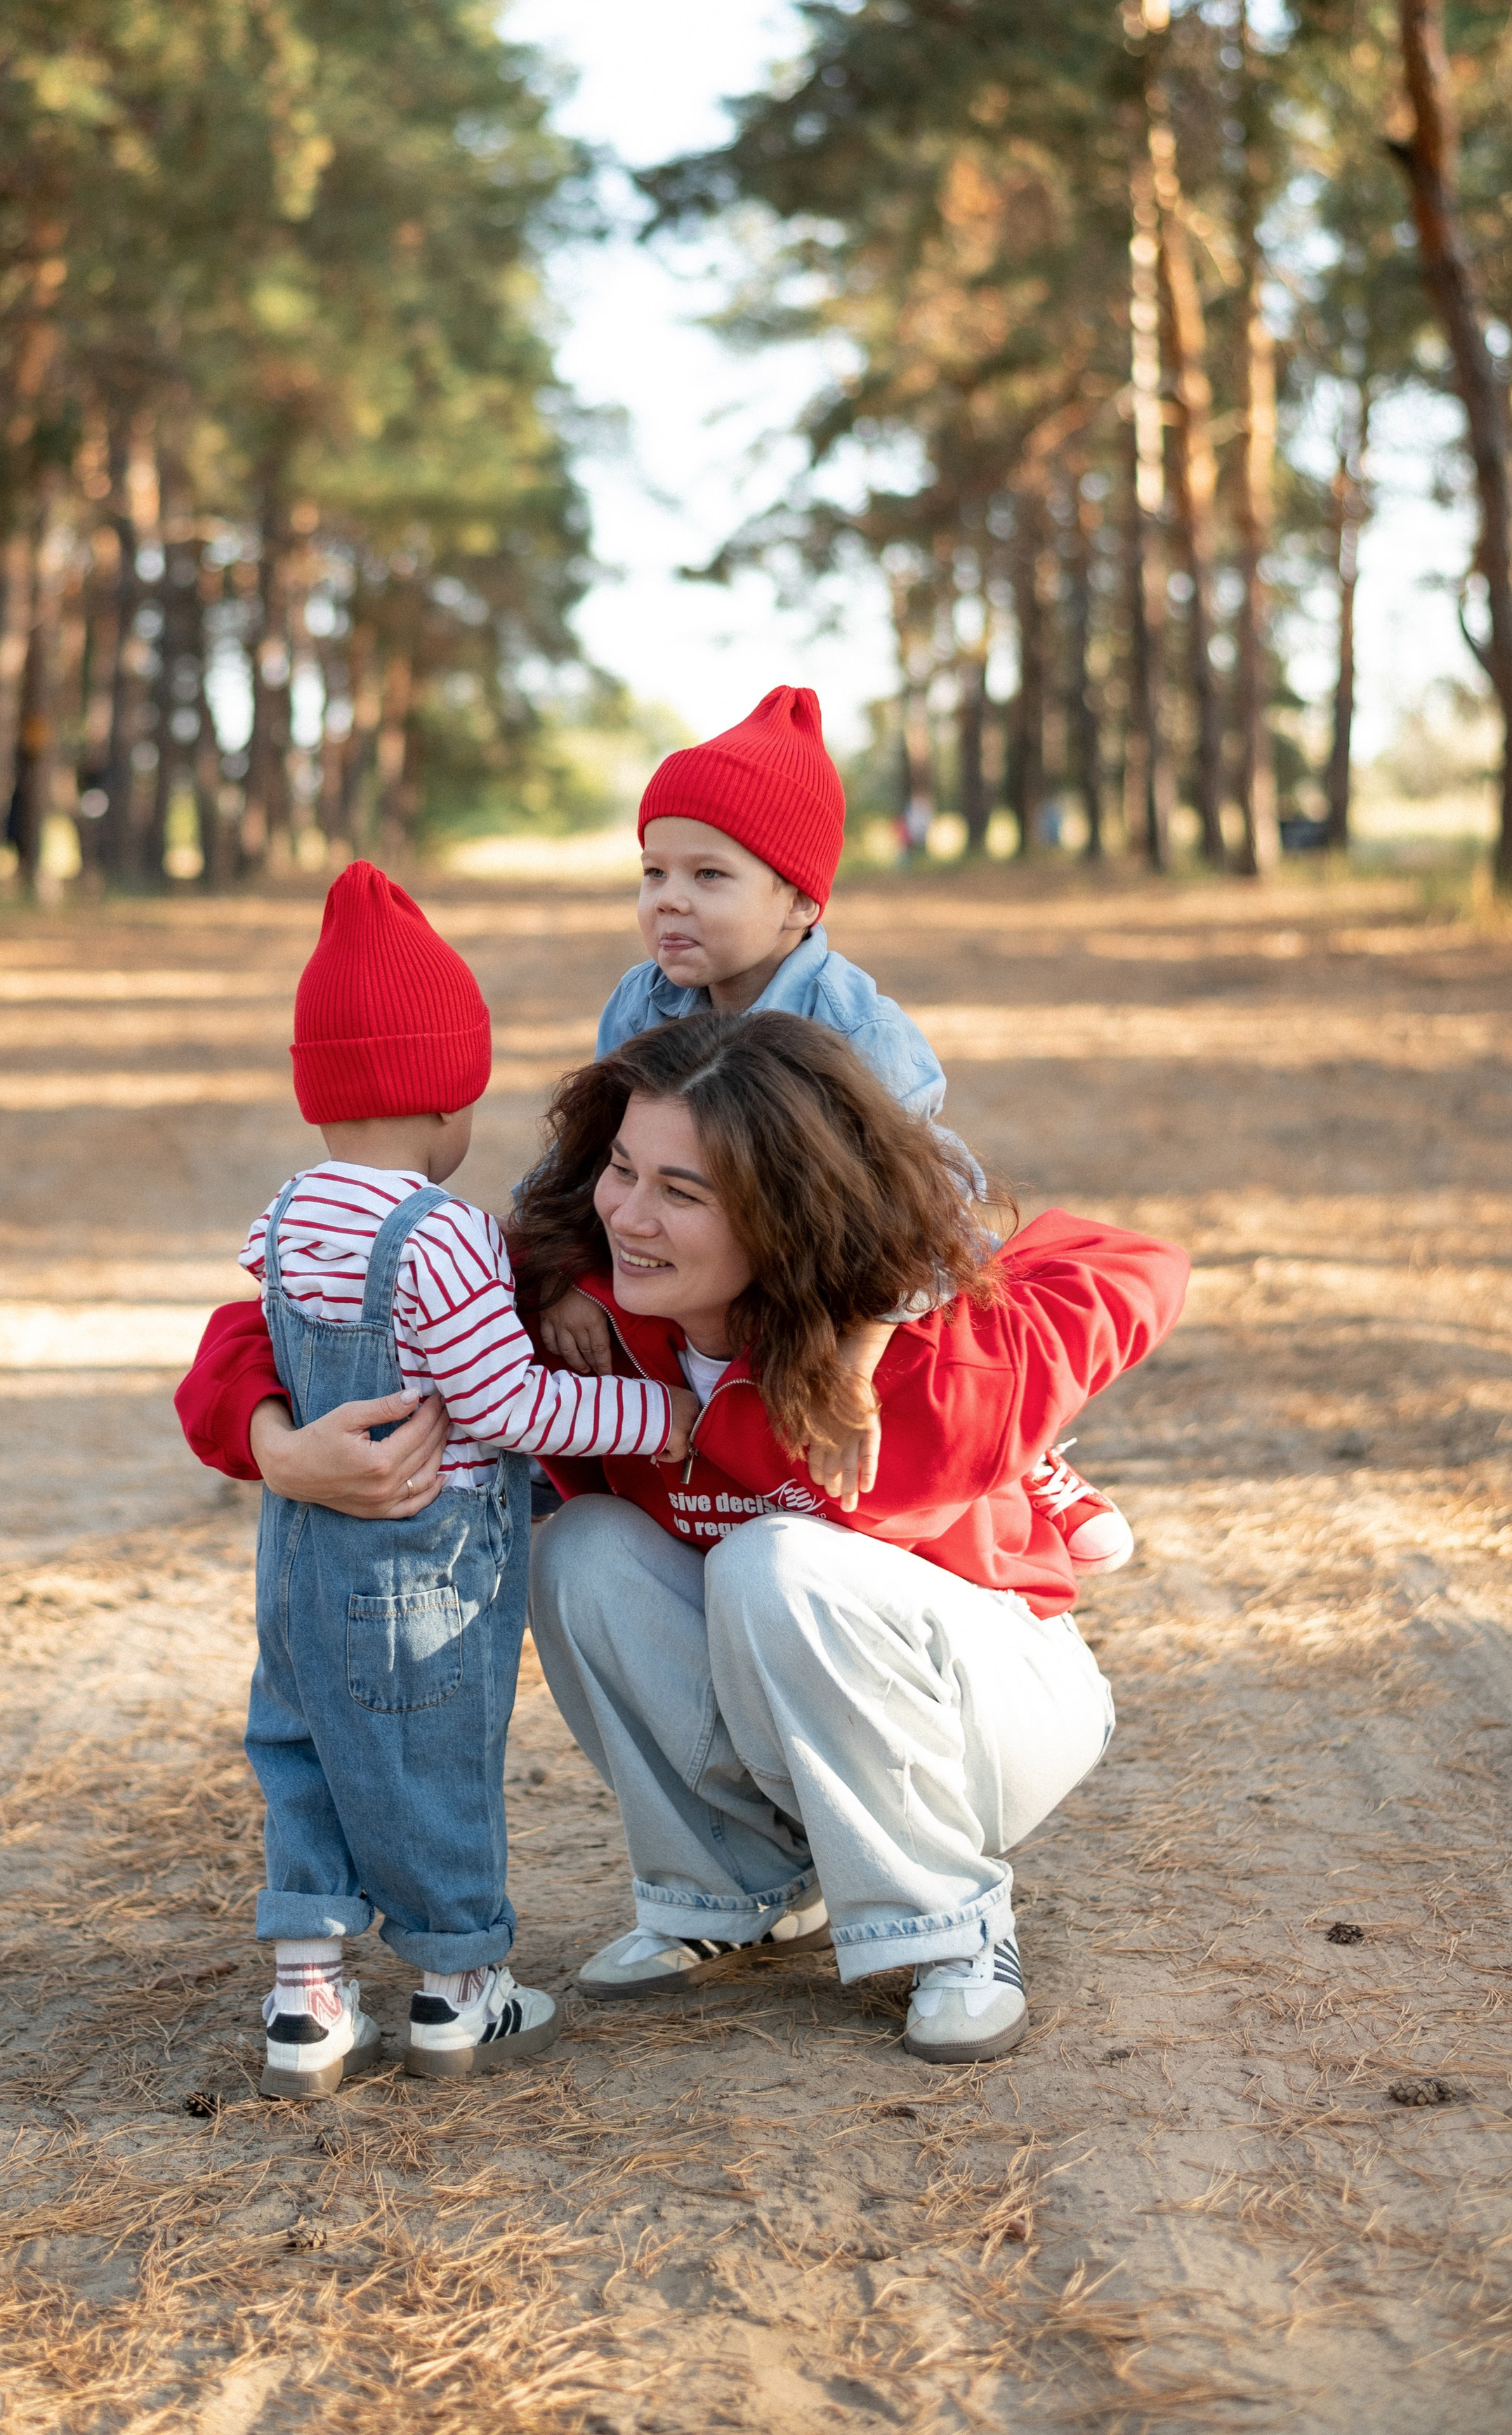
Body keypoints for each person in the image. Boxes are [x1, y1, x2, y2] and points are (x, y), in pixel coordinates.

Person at [509, 1008, 1189, 2063]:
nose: (631, 1215)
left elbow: (1139, 1263)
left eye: (681, 1191)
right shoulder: (590, 1318)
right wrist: (278, 1437)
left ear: (782, 1212)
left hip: (998, 1698)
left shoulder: (911, 1356)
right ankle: (732, 1892)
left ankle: (956, 1930)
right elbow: (322, 1305)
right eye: (622, 1170)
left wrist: (894, 1301)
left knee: (774, 1557)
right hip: (787, 1683)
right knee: (579, 1547)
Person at [217, 862, 697, 2101]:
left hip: (301, 1551)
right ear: (448, 1102)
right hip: (427, 1563)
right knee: (436, 1760)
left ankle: (307, 2002)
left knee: (305, 1746)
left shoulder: (284, 1217)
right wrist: (658, 1413)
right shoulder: (444, 1236)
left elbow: (260, 1339)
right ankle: (459, 1990)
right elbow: (503, 1405)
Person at [537, 685, 1134, 1572]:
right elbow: (595, 1157)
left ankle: (1015, 1451)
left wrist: (854, 1358)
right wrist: (559, 1276)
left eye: (709, 876)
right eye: (652, 872)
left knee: (934, 1300)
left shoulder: (855, 1032)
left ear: (798, 904)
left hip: (861, 1244)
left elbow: (918, 1206)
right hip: (722, 1234)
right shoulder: (642, 1001)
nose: (668, 899)